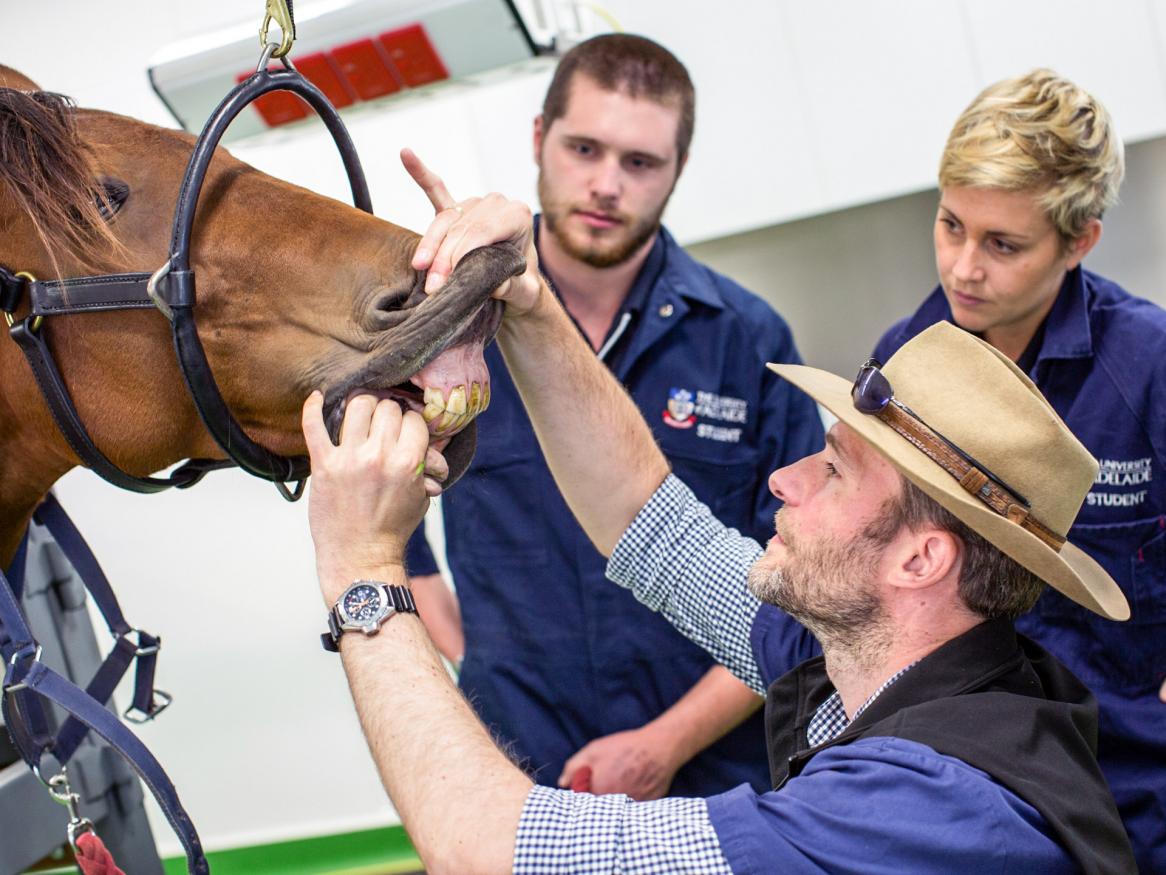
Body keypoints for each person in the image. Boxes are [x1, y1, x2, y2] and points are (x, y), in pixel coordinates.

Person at [300, 183, 1136, 872]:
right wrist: (530, 299)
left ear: (920, 558)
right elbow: (652, 528)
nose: (785, 478)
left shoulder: (925, 805)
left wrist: (362, 568)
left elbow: (494, 852)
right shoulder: (882, 656)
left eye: (834, 470)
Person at [403, 33, 823, 799]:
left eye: (639, 162)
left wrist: (666, 743)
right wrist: (475, 658)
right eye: (584, 148)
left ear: (677, 171)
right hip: (519, 772)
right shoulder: (449, 325)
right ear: (539, 139)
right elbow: (385, 519)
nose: (604, 184)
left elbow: (802, 595)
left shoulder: (749, 341)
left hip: (715, 782)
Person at [872, 69, 1166, 869]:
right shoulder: (901, 366)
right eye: (950, 225)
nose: (964, 267)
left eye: (1003, 244)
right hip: (971, 793)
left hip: (1138, 791)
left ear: (1079, 242)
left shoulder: (1148, 363)